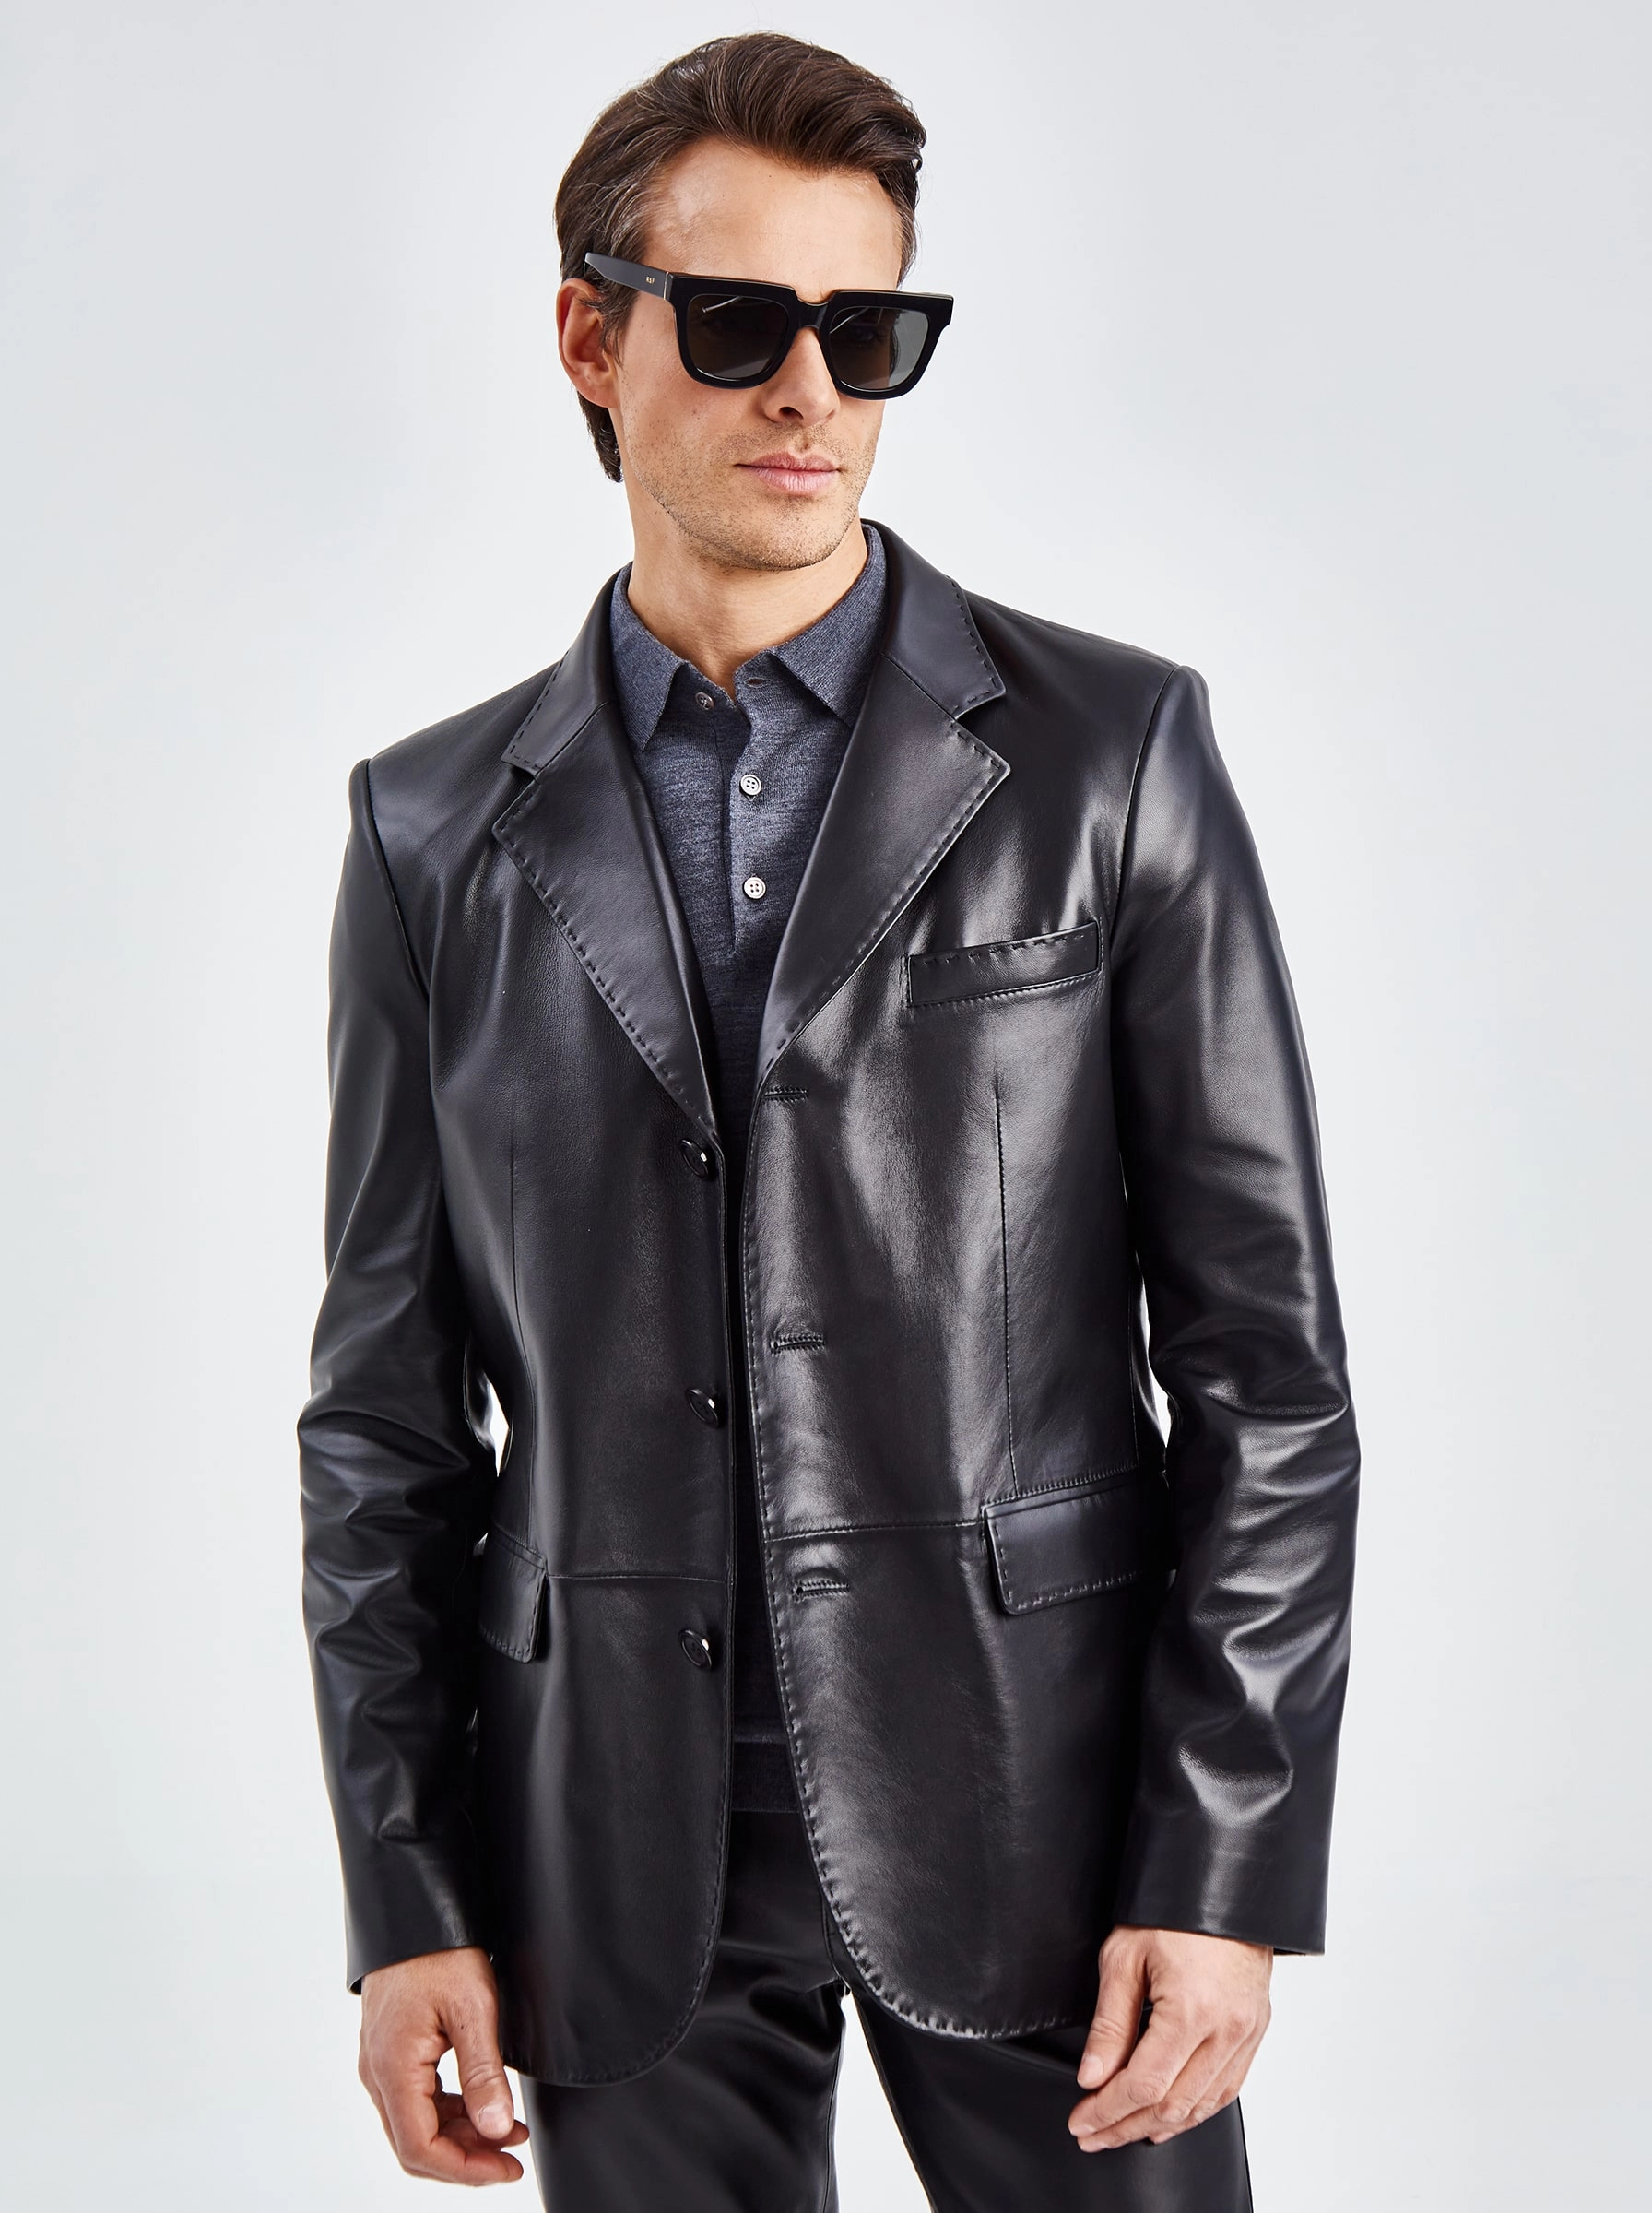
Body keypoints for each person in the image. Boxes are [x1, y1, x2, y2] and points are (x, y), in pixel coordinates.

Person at [299, 30, 1361, 2211]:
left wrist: (1225, 1859)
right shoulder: (431, 833)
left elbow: (1269, 1371)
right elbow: (386, 1428)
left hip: (1050, 1820)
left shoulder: (1109, 759)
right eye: (737, 322)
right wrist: (409, 1896)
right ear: (590, 339)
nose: (810, 391)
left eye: (866, 333)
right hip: (610, 1855)